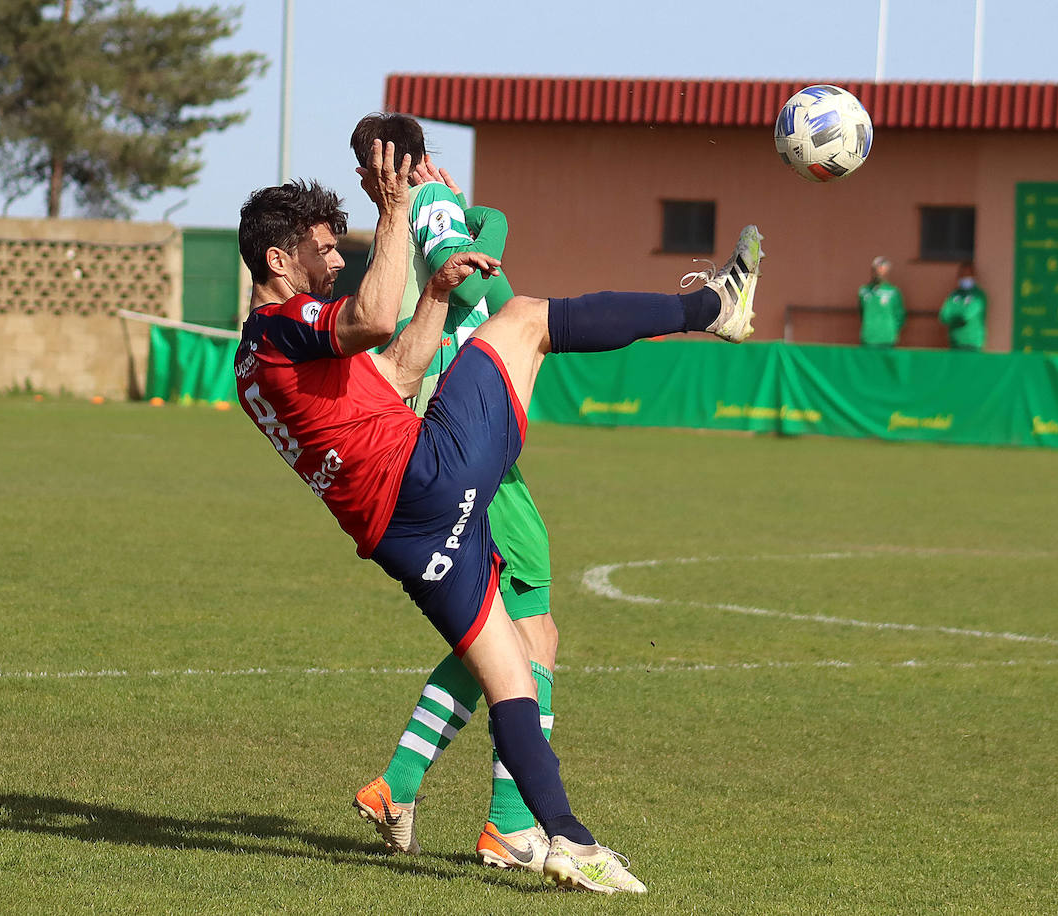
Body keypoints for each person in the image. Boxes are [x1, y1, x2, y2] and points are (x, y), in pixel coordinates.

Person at [233, 139, 763, 894]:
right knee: (524, 319)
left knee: (514, 670)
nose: (335, 261)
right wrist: (396, 212)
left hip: (402, 536)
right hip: (424, 474)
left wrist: (439, 290)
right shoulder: (280, 324)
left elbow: (400, 368)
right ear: (279, 263)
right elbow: (375, 320)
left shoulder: (261, 356)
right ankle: (713, 307)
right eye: (322, 251)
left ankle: (566, 840)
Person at [345, 112, 558, 873]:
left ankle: (396, 786)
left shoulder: (375, 267)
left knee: (491, 638)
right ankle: (507, 823)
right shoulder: (439, 224)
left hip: (430, 459)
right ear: (421, 162)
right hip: (480, 459)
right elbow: (492, 276)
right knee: (530, 641)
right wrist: (470, 207)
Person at [857, 255, 905, 347]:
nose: (879, 272)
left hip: (888, 339)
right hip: (868, 338)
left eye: (882, 268)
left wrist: (892, 330)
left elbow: (900, 316)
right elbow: (861, 312)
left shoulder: (893, 292)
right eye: (876, 269)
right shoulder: (864, 291)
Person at [938, 262, 987, 350]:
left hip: (973, 345)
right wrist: (955, 315)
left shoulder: (978, 296)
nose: (965, 278)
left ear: (974, 276)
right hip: (955, 344)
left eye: (968, 275)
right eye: (962, 275)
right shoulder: (954, 295)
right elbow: (943, 316)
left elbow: (965, 316)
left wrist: (953, 315)